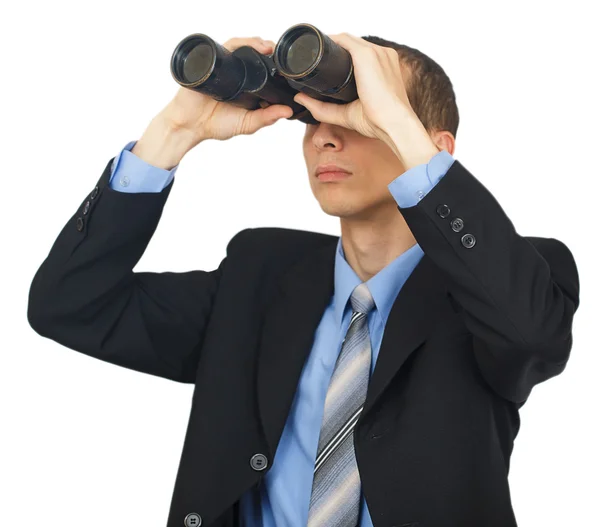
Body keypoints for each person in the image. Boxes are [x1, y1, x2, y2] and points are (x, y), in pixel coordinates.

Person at [27, 33, 580, 527]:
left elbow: (531, 334)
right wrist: (174, 130)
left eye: (360, 118)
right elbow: (70, 304)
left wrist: (402, 129)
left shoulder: (502, 284)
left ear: (431, 147)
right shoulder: (260, 274)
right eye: (314, 118)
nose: (325, 138)